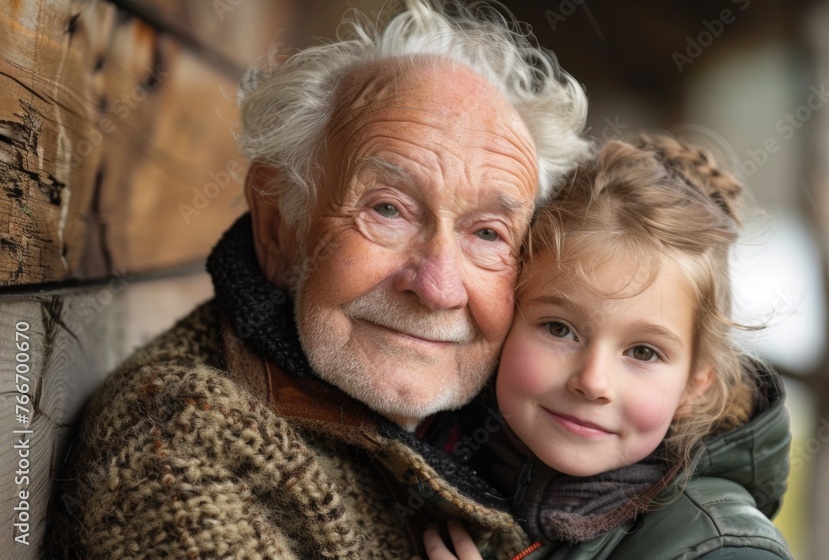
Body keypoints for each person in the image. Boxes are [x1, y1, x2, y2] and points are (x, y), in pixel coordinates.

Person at [48, 1, 590, 558]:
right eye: (388, 209)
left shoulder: (544, 422)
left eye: (488, 234)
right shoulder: (182, 441)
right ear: (278, 226)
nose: (438, 287)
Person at [420, 135, 794, 559]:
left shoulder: (720, 548)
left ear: (696, 385)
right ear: (507, 315)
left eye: (643, 352)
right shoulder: (435, 451)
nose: (592, 382)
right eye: (559, 329)